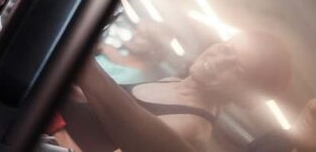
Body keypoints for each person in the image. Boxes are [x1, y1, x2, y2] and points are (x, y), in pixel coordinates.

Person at [58, 31, 293, 152]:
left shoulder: (192, 126)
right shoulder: (172, 81)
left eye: (238, 68)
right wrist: (78, 95)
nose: (219, 60)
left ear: (243, 94)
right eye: (226, 48)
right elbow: (104, 119)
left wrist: (55, 124)